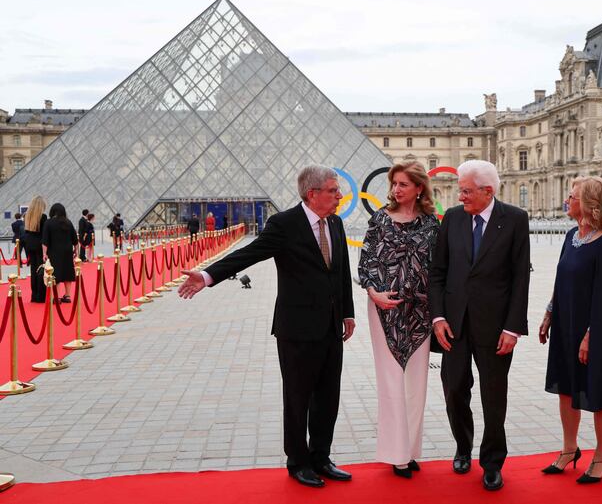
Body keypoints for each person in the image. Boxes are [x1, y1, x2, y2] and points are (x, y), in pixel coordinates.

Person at [178, 165, 355, 489]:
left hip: (331, 327)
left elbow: (340, 273)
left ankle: (321, 457)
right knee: (298, 397)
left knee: (328, 397)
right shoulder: (284, 224)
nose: (339, 195)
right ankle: (298, 462)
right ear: (312, 193)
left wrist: (348, 313)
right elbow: (250, 253)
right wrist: (206, 276)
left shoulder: (336, 223)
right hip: (297, 328)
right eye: (333, 190)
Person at [429, 159, 530, 491]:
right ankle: (462, 446)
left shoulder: (515, 220)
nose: (461, 197)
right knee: (454, 389)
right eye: (460, 190)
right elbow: (438, 272)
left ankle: (492, 461)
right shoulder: (453, 219)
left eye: (467, 191)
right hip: (454, 324)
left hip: (496, 326)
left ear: (488, 191)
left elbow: (520, 278)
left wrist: (513, 328)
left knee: (493, 395)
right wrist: (438, 317)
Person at [539, 176, 602, 484]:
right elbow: (561, 279)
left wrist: (590, 336)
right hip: (566, 323)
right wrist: (549, 313)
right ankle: (569, 449)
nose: (568, 200)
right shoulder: (570, 236)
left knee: (598, 391)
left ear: (589, 204)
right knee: (567, 388)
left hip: (595, 328)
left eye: (573, 197)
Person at [358, 161, 440, 479]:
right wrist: (373, 293)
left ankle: (410, 449)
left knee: (417, 383)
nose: (396, 189)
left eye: (403, 184)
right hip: (385, 309)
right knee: (391, 380)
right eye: (394, 184)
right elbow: (365, 262)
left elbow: (439, 270)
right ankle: (396, 454)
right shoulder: (379, 219)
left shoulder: (432, 225)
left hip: (421, 313)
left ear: (419, 188)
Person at [42, 203, 78, 303]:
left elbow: (45, 240)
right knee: (68, 272)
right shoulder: (68, 222)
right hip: (67, 251)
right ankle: (67, 296)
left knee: (55, 273)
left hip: (54, 251)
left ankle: (56, 297)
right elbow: (75, 239)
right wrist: (76, 252)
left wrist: (44, 253)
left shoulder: (48, 223)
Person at [23, 196, 48, 303]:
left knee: (33, 270)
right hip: (39, 245)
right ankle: (41, 296)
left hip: (29, 244)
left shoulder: (27, 216)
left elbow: (27, 232)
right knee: (40, 270)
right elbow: (44, 234)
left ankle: (34, 295)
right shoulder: (43, 217)